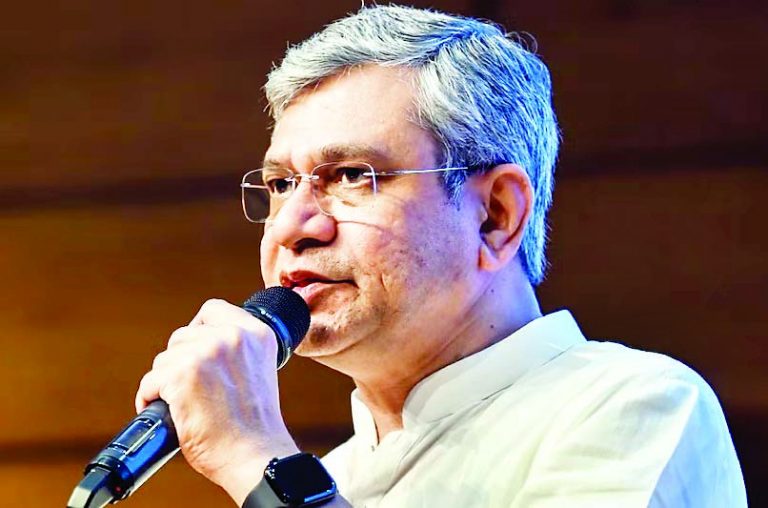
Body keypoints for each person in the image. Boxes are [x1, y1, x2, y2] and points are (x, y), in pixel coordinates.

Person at [135, 5, 747, 507]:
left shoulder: (631, 405)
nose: (293, 227)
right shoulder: (330, 479)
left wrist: (253, 454)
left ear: (495, 215)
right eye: (279, 184)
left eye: (351, 175)